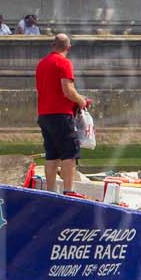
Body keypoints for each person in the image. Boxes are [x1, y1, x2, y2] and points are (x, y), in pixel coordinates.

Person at [35, 34, 94, 192]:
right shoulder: (64, 63)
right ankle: (68, 192)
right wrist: (81, 101)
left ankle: (51, 191)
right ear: (68, 48)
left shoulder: (41, 64)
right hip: (61, 114)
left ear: (52, 45)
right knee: (70, 153)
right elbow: (68, 91)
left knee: (52, 154)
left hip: (44, 115)